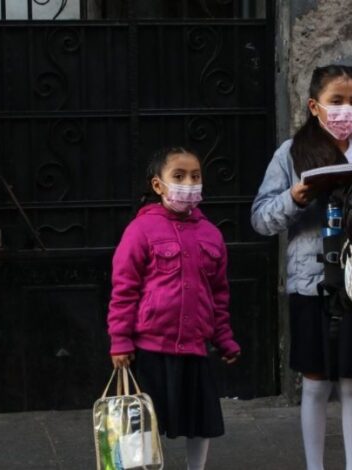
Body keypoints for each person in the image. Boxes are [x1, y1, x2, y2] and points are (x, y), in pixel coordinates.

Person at [251, 65, 352, 470]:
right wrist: (294, 198)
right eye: (336, 101)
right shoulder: (291, 153)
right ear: (315, 106)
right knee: (315, 381)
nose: (346, 110)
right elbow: (260, 219)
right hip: (310, 282)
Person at [107, 147, 241, 470]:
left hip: (195, 347)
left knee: (200, 420)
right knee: (144, 425)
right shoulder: (140, 231)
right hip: (151, 347)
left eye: (195, 176)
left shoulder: (211, 235)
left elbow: (218, 295)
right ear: (158, 185)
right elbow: (124, 290)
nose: (188, 183)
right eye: (178, 177)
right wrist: (120, 340)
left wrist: (224, 339)